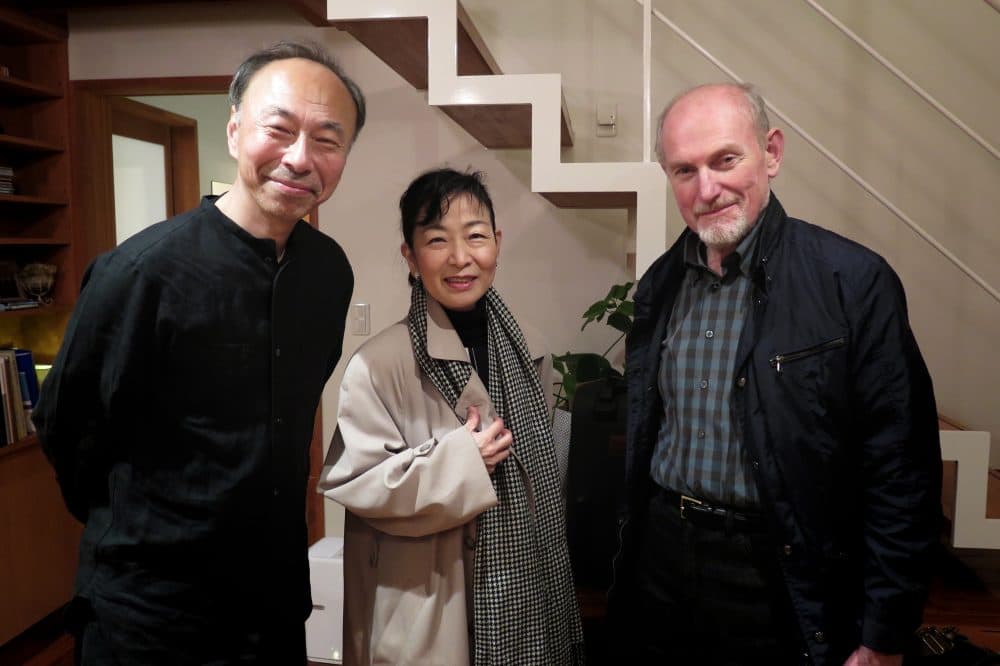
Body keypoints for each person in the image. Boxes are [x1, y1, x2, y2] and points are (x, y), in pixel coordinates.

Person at [33, 41, 366, 664]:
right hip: (153, 614)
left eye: (327, 139)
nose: (300, 158)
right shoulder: (141, 272)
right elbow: (68, 428)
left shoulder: (328, 272)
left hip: (271, 603)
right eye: (280, 129)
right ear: (236, 129)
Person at [614, 82, 942, 665]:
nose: (706, 189)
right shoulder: (659, 287)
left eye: (725, 160)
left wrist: (883, 634)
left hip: (781, 575)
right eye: (684, 170)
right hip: (662, 562)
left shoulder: (853, 283)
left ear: (772, 153)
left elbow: (900, 471)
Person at [319, 168, 585, 665]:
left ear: (497, 244)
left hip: (528, 587)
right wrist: (461, 461)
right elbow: (360, 484)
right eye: (437, 239)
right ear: (411, 256)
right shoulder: (380, 364)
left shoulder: (531, 348)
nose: (461, 258)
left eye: (476, 236)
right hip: (429, 597)